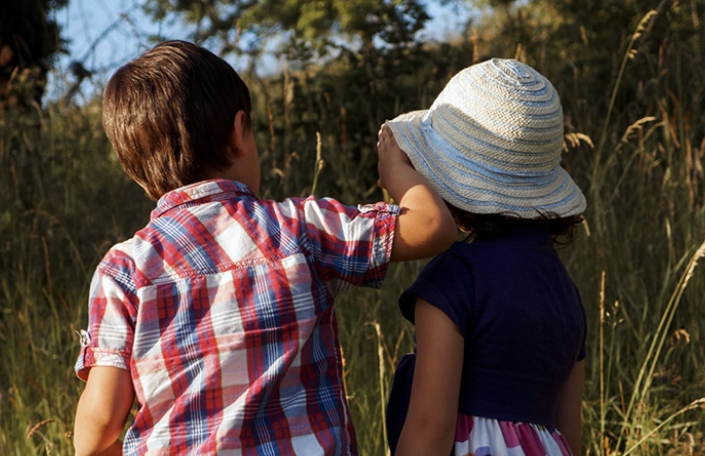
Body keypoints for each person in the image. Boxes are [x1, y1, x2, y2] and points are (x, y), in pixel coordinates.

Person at [72, 40, 456, 456]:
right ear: (239, 133)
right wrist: (395, 169)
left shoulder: (123, 271)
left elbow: (97, 434)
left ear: (136, 171)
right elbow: (432, 226)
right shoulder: (301, 228)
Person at [383, 58, 588, 456]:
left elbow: (431, 426)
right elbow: (570, 438)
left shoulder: (456, 276)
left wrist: (398, 175)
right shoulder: (567, 293)